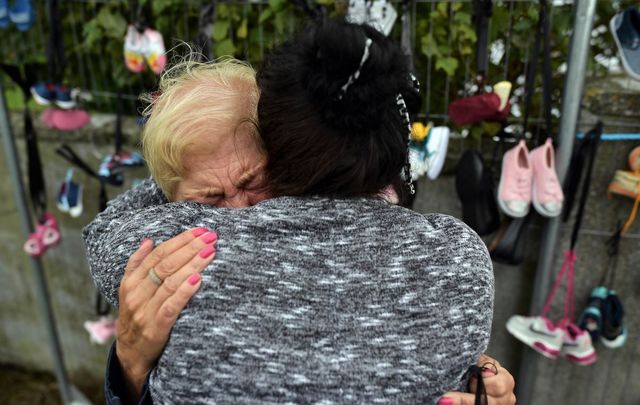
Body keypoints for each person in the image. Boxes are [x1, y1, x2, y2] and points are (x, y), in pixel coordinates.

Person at [84, 19, 505, 404]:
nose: (236, 211)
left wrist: (132, 371)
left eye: (251, 182)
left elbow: (106, 230)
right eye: (208, 200)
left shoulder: (161, 245)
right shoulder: (458, 256)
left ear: (286, 156)